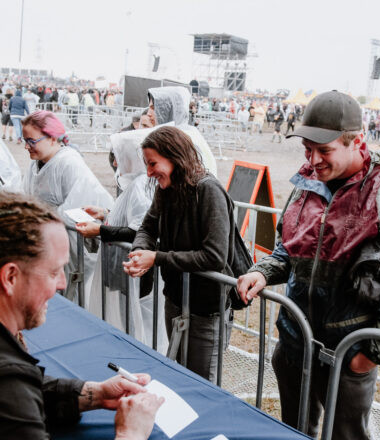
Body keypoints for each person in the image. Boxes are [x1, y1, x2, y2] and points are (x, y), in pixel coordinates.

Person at [238, 91, 380, 439]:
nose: (313, 160)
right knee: (294, 431)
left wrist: (370, 355)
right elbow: (289, 250)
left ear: (355, 141)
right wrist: (260, 272)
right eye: (307, 149)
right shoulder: (307, 182)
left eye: (324, 150)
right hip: (295, 342)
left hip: (348, 351)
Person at [0, 191, 163, 440]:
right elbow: (16, 394)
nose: (63, 284)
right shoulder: (9, 382)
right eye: (54, 272)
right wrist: (130, 433)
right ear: (11, 278)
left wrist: (95, 393)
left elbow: (30, 389)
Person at [123, 126, 236, 383]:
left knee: (201, 385)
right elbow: (147, 227)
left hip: (207, 310)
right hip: (175, 300)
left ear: (174, 157)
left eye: (153, 163)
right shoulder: (166, 189)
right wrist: (140, 251)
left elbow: (214, 256)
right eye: (146, 164)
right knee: (178, 376)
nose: (149, 172)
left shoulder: (209, 191)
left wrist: (157, 258)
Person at [76, 127, 168, 353]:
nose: (115, 163)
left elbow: (139, 230)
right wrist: (106, 214)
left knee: (137, 326)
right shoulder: (135, 184)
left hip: (132, 271)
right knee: (127, 322)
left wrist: (100, 231)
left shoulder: (140, 186)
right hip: (123, 269)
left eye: (118, 156)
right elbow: (131, 220)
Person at [21, 110, 114, 302]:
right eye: (25, 140)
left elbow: (76, 207)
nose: (26, 146)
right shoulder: (35, 164)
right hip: (47, 241)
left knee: (73, 295)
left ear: (52, 138)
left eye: (31, 141)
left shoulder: (69, 162)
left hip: (71, 245)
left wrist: (36, 219)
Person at [146, 86, 217, 176]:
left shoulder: (184, 140)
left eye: (153, 108)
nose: (148, 113)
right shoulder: (175, 136)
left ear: (168, 109)